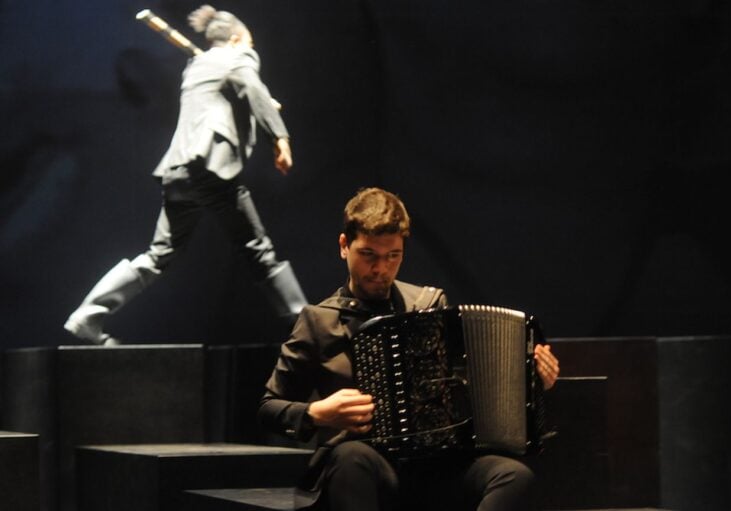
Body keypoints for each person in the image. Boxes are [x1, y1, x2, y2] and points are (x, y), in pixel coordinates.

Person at [257, 187, 560, 511]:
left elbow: (472, 387)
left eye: (393, 256)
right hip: (366, 466)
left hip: (436, 464)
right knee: (351, 457)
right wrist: (317, 413)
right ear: (345, 246)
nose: (381, 269)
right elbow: (269, 408)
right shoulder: (319, 321)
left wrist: (531, 379)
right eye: (368, 254)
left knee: (514, 476)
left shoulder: (429, 305)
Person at [64, 5, 306, 345]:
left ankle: (87, 316)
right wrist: (279, 138)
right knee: (258, 250)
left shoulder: (198, 67)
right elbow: (251, 88)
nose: (252, 50)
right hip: (209, 168)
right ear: (237, 39)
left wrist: (260, 98)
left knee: (159, 254)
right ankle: (307, 330)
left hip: (178, 169)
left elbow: (241, 95)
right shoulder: (240, 56)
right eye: (248, 43)